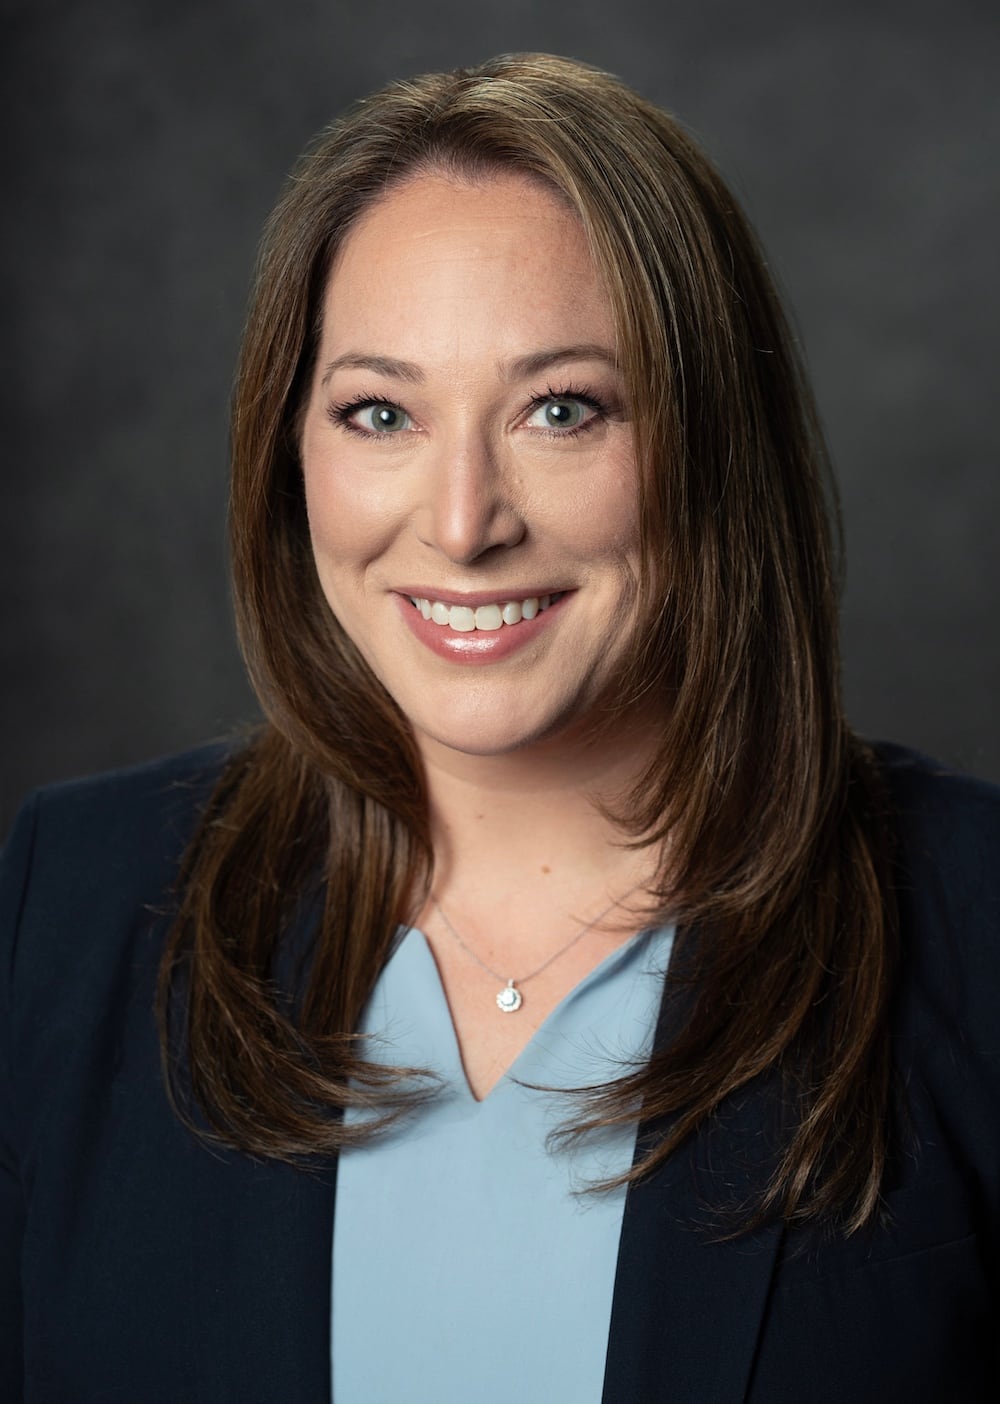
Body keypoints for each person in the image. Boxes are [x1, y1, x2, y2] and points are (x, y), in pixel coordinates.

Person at [1, 51, 997, 1402]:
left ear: (711, 437)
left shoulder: (971, 921)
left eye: (561, 409)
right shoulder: (62, 910)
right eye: (380, 413)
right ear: (289, 454)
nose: (465, 522)